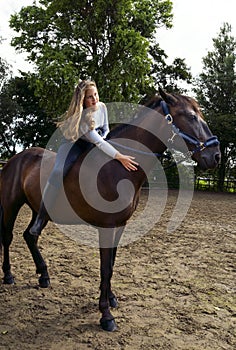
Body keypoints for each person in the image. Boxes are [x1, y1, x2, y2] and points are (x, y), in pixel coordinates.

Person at [29, 80, 139, 236]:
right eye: (89, 97)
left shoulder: (102, 107)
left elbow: (105, 129)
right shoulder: (82, 119)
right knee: (58, 171)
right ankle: (41, 217)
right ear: (82, 100)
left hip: (94, 143)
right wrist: (120, 156)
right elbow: (99, 142)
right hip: (73, 145)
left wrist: (104, 137)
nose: (94, 99)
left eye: (95, 94)